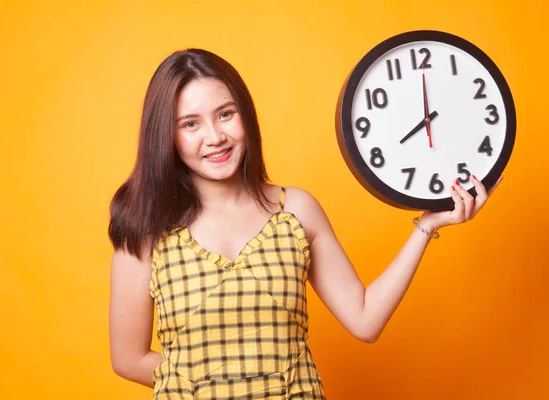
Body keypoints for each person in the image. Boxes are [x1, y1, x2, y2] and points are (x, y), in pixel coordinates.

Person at [107, 48, 503, 399]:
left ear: (245, 114)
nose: (215, 137)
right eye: (190, 124)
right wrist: (212, 383)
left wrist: (428, 225)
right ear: (167, 135)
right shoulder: (146, 227)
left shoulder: (295, 209)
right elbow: (128, 358)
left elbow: (365, 320)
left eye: (226, 114)